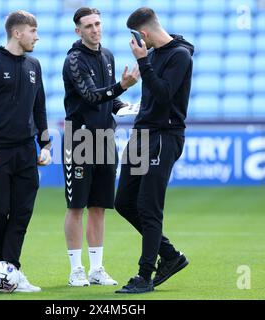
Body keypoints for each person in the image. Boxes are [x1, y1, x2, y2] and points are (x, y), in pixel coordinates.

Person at [114, 7, 194, 294]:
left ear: (143, 33)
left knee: (149, 207)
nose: (137, 42)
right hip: (141, 134)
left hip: (163, 136)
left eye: (136, 36)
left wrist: (143, 62)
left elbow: (163, 95)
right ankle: (171, 256)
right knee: (123, 201)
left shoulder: (179, 56)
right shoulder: (156, 55)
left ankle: (145, 275)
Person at [0, 10, 51, 293]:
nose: (37, 37)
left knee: (22, 211)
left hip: (26, 151)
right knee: (0, 210)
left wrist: (45, 144)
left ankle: (11, 269)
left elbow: (39, 107)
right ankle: (2, 265)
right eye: (33, 31)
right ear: (17, 33)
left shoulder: (34, 65)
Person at [62, 7, 140, 286]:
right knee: (76, 206)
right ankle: (75, 270)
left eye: (97, 24)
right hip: (79, 138)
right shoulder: (74, 60)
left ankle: (96, 268)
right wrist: (122, 87)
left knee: (99, 206)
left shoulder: (107, 55)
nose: (95, 29)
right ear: (78, 31)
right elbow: (90, 96)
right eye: (88, 26)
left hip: (105, 137)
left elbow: (108, 101)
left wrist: (126, 107)